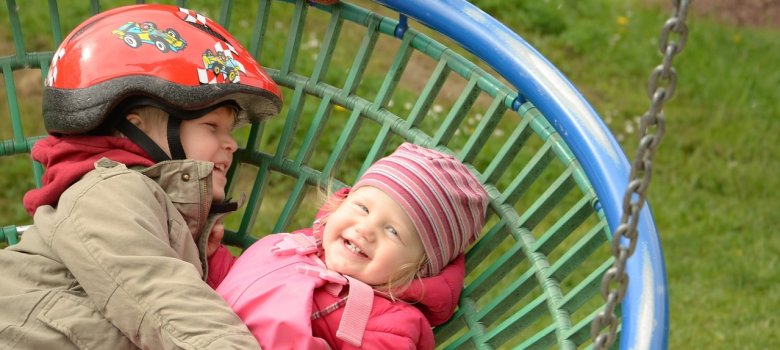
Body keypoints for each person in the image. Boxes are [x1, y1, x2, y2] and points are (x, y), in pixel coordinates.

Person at [0, 4, 282, 349]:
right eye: (212, 126)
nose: (232, 145)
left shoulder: (171, 218)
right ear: (137, 128)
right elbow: (167, 303)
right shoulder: (109, 193)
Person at [209, 142, 489, 349]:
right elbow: (232, 284)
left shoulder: (390, 324)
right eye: (363, 208)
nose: (366, 229)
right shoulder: (296, 248)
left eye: (392, 231)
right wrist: (210, 254)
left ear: (419, 268)